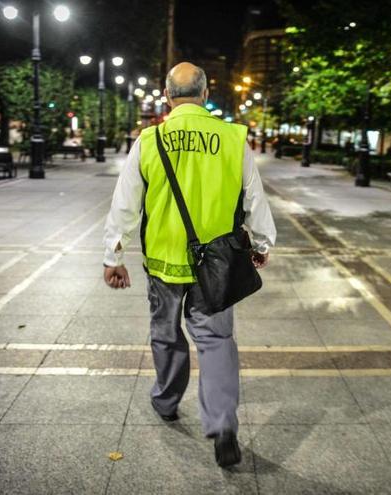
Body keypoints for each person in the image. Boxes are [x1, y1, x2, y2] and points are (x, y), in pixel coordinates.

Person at [101, 62, 276, 467]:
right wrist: (263, 243)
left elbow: (125, 203)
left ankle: (166, 400)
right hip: (216, 263)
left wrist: (114, 255)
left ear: (167, 95)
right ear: (205, 92)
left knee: (165, 334)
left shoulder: (151, 139)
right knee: (215, 342)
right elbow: (255, 198)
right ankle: (222, 425)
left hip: (164, 261)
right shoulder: (233, 138)